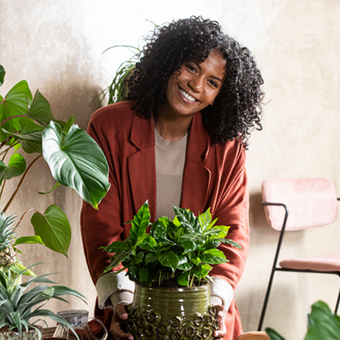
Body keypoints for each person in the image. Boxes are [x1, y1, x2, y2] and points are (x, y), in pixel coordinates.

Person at [81, 16, 264, 340]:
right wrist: (123, 304)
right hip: (128, 308)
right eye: (192, 67)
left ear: (221, 95)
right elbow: (101, 223)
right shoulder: (109, 127)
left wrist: (217, 304)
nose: (196, 85)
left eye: (213, 82)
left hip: (204, 309)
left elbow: (234, 231)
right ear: (168, 62)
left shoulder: (228, 148)